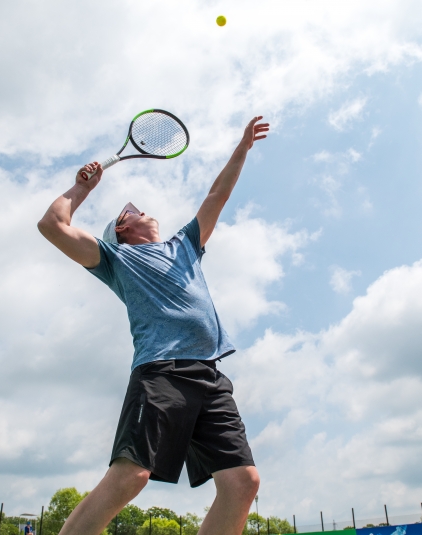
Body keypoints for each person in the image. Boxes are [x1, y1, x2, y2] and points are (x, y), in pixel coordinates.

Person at [38, 116, 269, 535]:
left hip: (210, 374)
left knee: (242, 482)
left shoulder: (185, 245)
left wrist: (242, 149)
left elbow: (218, 194)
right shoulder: (115, 258)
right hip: (161, 373)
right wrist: (83, 189)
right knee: (132, 476)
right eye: (132, 211)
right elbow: (51, 226)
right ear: (122, 230)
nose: (143, 210)